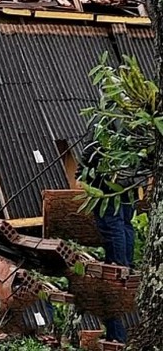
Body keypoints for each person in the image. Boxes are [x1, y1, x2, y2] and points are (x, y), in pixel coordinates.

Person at [79, 140, 135, 343]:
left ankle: (118, 263)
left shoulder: (108, 121)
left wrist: (84, 167)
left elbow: (91, 148)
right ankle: (125, 261)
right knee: (124, 222)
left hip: (108, 179)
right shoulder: (132, 121)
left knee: (111, 223)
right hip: (129, 180)